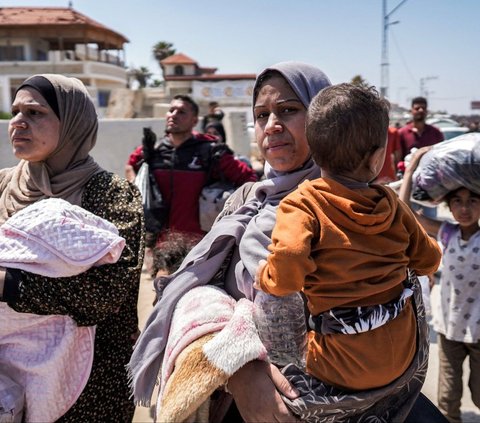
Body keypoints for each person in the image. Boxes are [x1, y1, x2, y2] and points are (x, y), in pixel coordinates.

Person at [129, 62, 443, 422]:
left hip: (360, 401)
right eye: (261, 115)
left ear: (325, 122)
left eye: (289, 110)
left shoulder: (372, 205)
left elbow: (402, 297)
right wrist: (242, 371)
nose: (272, 124)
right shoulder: (245, 199)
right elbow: (208, 293)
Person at [254, 83, 442, 392]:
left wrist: (266, 276)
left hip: (339, 367)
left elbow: (286, 270)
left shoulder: (301, 204)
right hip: (403, 355)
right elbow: (430, 260)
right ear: (378, 158)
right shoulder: (391, 204)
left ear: (315, 150)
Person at [0, 74, 144, 422]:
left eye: (35, 113)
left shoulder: (110, 195)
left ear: (72, 123)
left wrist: (8, 284)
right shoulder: (4, 185)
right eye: (16, 111)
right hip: (9, 377)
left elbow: (106, 294)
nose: (18, 122)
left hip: (90, 386)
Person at [399, 147, 480, 423]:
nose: (465, 208)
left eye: (472, 201)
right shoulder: (446, 232)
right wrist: (412, 169)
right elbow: (405, 210)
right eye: (457, 201)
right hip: (449, 329)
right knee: (447, 397)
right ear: (448, 205)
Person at [125, 94, 256, 245]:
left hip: (200, 246)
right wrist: (135, 189)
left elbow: (249, 178)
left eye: (181, 112)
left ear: (194, 120)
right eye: (171, 110)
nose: (173, 115)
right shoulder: (153, 150)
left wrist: (230, 209)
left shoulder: (210, 151)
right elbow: (130, 165)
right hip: (159, 245)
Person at [394, 96, 444, 166]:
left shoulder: (436, 133)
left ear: (426, 111)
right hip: (407, 174)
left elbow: (441, 156)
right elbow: (397, 159)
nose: (421, 110)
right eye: (417, 108)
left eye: (423, 108)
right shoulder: (402, 133)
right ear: (411, 111)